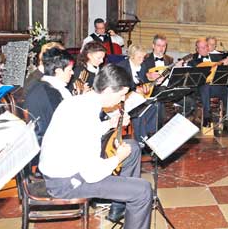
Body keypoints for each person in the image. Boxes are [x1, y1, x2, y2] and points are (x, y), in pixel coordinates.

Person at [39, 64, 152, 227]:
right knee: (143, 190)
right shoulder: (86, 114)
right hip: (66, 182)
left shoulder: (79, 101)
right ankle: (130, 197)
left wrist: (109, 124)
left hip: (65, 169)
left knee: (132, 148)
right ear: (107, 91)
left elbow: (83, 134)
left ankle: (120, 205)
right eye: (121, 95)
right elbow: (92, 173)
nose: (122, 99)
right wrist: (118, 158)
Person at [24, 48, 74, 147]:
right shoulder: (52, 92)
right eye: (70, 69)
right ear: (58, 71)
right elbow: (63, 127)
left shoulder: (42, 85)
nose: (72, 73)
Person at [188, 38, 228, 131]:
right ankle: (207, 117)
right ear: (197, 49)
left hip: (217, 87)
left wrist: (225, 66)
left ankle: (227, 121)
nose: (204, 49)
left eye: (205, 46)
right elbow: (193, 80)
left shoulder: (217, 58)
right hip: (201, 90)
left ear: (208, 47)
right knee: (205, 86)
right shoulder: (192, 62)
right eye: (201, 47)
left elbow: (226, 75)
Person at [117, 44, 160, 146]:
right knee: (138, 109)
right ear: (132, 56)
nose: (142, 60)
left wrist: (146, 86)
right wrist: (135, 89)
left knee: (155, 105)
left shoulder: (143, 66)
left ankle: (149, 134)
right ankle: (140, 138)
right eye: (139, 57)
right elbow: (120, 86)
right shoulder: (122, 66)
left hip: (138, 97)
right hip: (124, 97)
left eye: (143, 57)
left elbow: (143, 82)